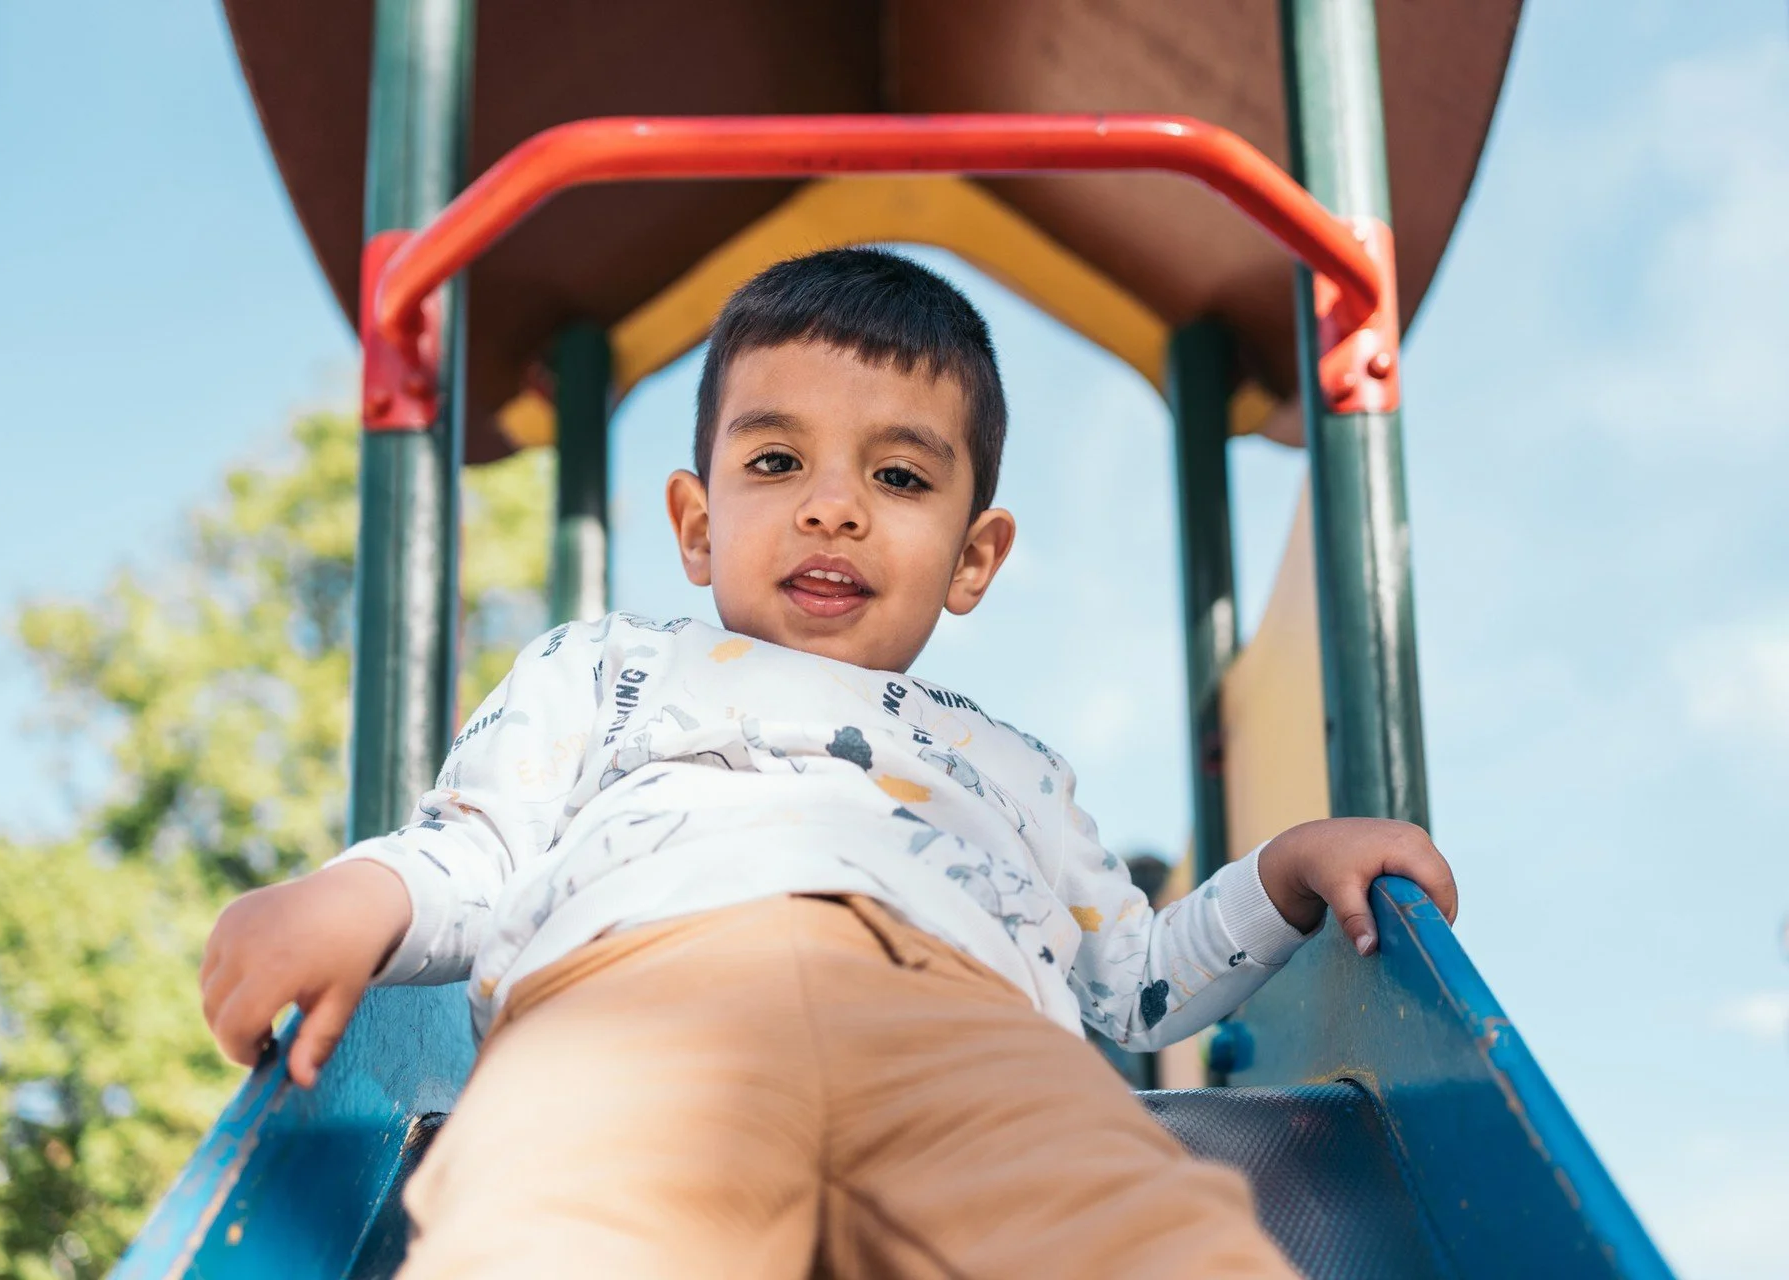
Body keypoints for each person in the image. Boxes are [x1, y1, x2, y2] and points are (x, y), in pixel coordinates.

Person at [199, 247, 1459, 1278]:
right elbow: (483, 844)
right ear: (698, 522)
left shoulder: (1010, 764)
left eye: (899, 474)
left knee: (1149, 1239)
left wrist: (1289, 869)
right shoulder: (607, 667)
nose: (832, 505)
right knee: (553, 1228)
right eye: (775, 461)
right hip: (634, 1010)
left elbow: (1132, 984)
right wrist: (357, 894)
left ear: (974, 554)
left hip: (960, 1026)